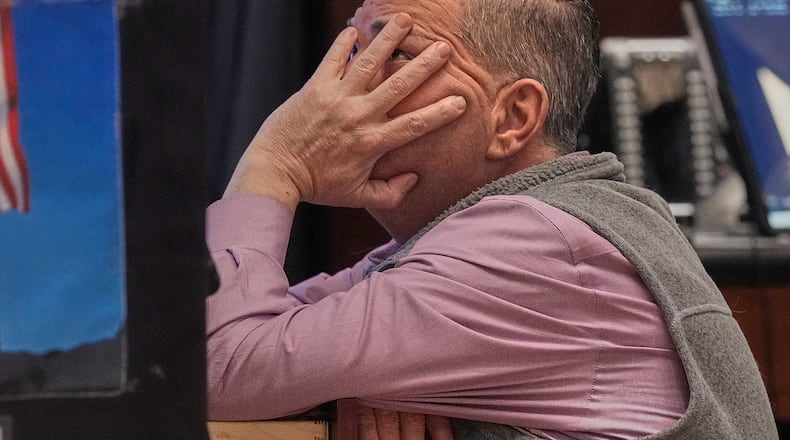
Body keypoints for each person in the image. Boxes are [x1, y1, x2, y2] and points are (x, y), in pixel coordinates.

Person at [205, 0, 778, 438]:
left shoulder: (532, 244)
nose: (333, 96)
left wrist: (276, 165)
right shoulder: (493, 234)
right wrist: (341, 381)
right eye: (352, 55)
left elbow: (211, 370)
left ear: (512, 116)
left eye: (392, 57)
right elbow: (218, 341)